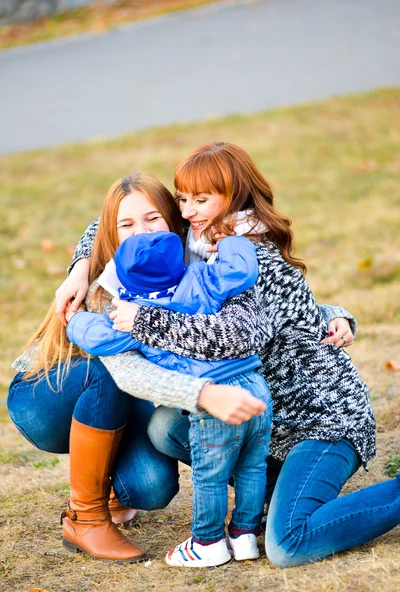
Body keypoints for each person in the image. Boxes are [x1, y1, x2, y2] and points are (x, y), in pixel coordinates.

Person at [65, 142, 400, 567]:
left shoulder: (253, 256)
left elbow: (239, 335)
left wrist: (142, 320)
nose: (186, 211)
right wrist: (80, 266)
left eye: (201, 200)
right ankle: (266, 495)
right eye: (182, 200)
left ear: (235, 197)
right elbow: (114, 221)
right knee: (167, 426)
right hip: (260, 414)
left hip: (321, 418)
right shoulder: (196, 238)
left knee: (287, 545)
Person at [7, 173, 267, 564]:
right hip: (48, 397)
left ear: (177, 222)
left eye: (153, 220)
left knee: (152, 488)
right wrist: (204, 394)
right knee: (107, 373)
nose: (140, 233)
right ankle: (86, 517)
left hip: (127, 401)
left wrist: (332, 316)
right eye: (125, 226)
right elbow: (128, 373)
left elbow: (256, 297)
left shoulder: (192, 260)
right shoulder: (106, 286)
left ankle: (107, 478)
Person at [66, 230, 273, 567]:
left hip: (214, 397)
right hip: (254, 383)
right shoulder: (204, 279)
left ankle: (208, 542)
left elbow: (95, 336)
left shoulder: (133, 317)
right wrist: (232, 241)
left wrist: (75, 321)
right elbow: (241, 269)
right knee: (252, 466)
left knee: (211, 475)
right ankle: (244, 535)